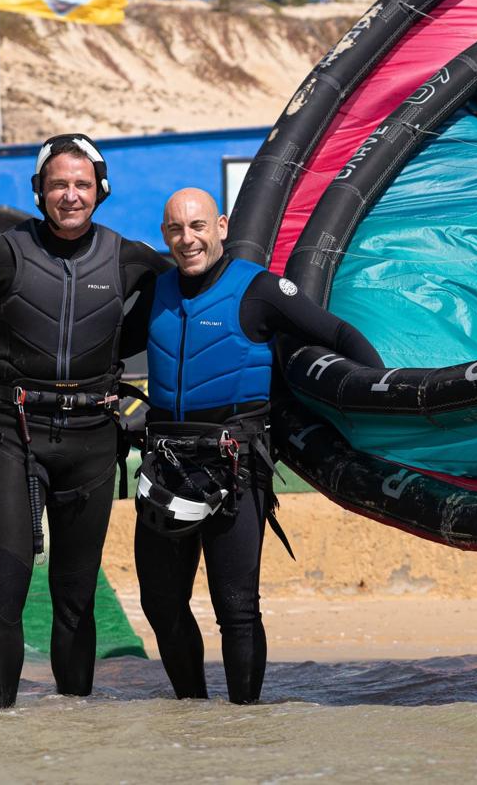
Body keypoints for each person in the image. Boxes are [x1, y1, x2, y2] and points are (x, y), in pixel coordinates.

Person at [0, 133, 170, 709]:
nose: (70, 195)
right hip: (15, 433)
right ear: (40, 190)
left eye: (82, 184)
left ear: (100, 189)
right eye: (59, 183)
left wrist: (113, 347)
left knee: (76, 598)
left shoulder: (129, 257)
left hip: (92, 441)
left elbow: (189, 293)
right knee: (6, 591)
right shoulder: (2, 253)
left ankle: (70, 735)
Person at [133, 188, 382, 704]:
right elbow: (100, 347)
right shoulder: (155, 293)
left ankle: (245, 719)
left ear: (221, 226)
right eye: (176, 229)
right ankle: (194, 712)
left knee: (236, 607)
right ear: (164, 235)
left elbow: (339, 334)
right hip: (166, 467)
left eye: (198, 226)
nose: (188, 239)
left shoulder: (261, 290)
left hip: (235, 468)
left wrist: (379, 398)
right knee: (161, 604)